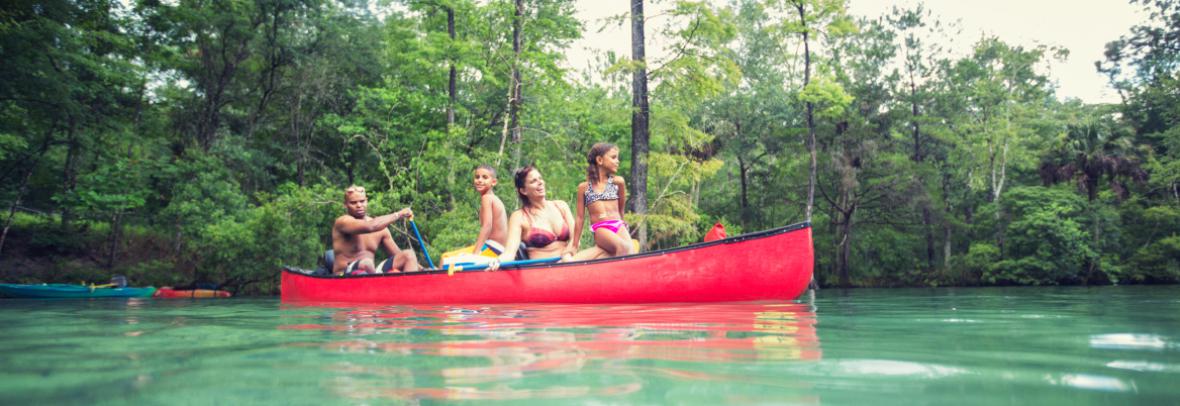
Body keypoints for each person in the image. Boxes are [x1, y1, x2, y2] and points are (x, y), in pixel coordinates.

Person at [488, 165, 581, 270]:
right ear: (523, 191)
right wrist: (498, 261)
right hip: (542, 271)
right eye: (533, 181)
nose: (540, 182)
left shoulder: (561, 206)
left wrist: (567, 255)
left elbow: (576, 239)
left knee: (601, 252)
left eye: (540, 178)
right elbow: (509, 253)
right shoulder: (519, 216)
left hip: (568, 263)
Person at [332, 185, 421, 275]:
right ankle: (376, 281)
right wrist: (399, 214)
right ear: (345, 204)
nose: (359, 205)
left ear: (367, 201)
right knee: (367, 262)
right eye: (353, 203)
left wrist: (424, 269)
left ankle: (410, 287)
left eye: (362, 201)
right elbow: (371, 226)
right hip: (344, 274)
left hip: (371, 273)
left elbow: (396, 254)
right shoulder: (343, 222)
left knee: (409, 255)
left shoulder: (381, 229)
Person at [566, 142, 634, 259]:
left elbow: (621, 210)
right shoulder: (584, 188)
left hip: (618, 225)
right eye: (613, 157)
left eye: (617, 158)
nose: (617, 161)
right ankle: (616, 276)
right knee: (623, 247)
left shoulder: (618, 182)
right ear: (600, 160)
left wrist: (623, 227)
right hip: (601, 228)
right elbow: (580, 218)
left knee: (630, 251)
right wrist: (574, 245)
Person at [440, 164, 509, 266]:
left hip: (493, 249)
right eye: (477, 177)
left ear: (493, 182)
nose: (480, 180)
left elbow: (487, 226)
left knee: (444, 258)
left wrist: (475, 254)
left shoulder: (487, 198)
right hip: (498, 249)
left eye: (485, 177)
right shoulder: (494, 199)